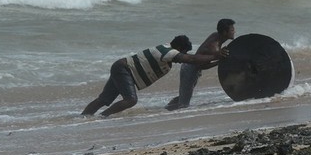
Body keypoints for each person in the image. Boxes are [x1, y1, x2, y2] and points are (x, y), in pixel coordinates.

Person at [81, 35, 225, 118]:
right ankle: (103, 117)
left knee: (104, 99)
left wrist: (217, 61)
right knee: (131, 100)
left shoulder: (166, 48)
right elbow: (192, 59)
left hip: (121, 67)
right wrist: (216, 55)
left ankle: (84, 117)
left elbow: (192, 60)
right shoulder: (168, 53)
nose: (183, 57)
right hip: (125, 70)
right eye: (184, 52)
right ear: (180, 49)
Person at [165, 18, 236, 111]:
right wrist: (218, 62)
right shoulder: (214, 48)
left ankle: (167, 108)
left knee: (185, 94)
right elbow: (201, 66)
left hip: (192, 67)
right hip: (190, 69)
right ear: (224, 32)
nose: (234, 32)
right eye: (232, 30)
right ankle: (170, 113)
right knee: (184, 103)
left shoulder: (216, 35)